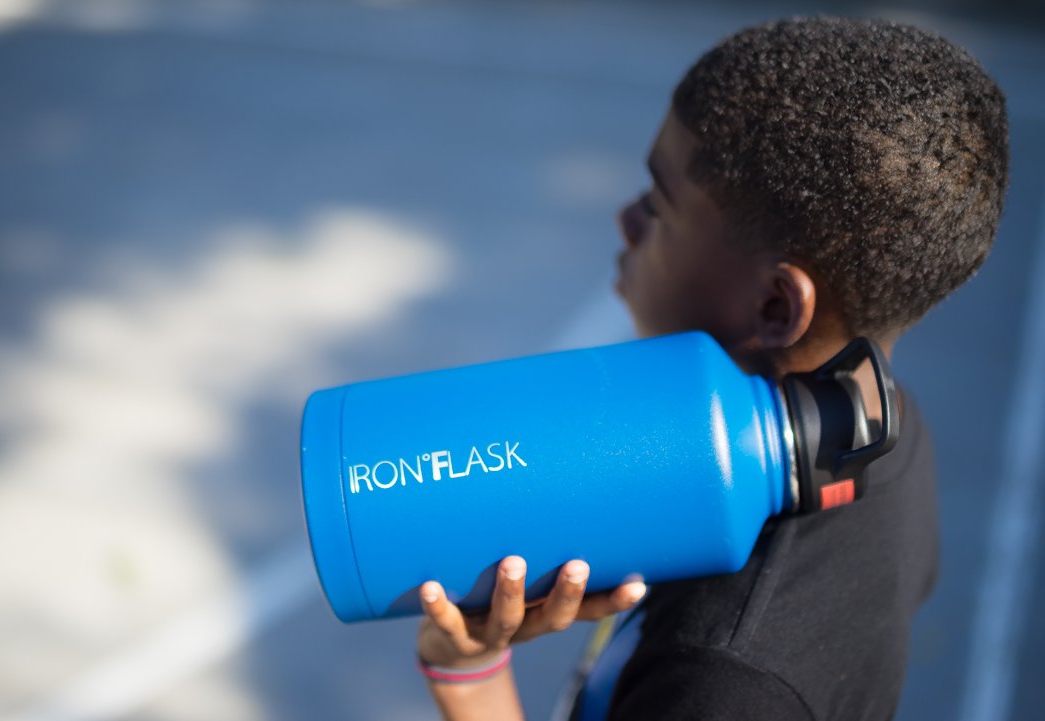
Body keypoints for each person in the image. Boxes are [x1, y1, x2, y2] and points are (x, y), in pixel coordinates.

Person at [413, 16, 1009, 721]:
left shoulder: (723, 681)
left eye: (658, 204)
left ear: (774, 303)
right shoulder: (887, 430)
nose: (626, 219)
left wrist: (471, 676)